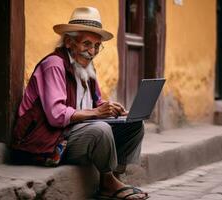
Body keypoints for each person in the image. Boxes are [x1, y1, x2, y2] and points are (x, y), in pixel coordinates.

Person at [12, 6, 149, 200]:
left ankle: (113, 178)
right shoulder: (54, 65)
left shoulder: (87, 68)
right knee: (100, 129)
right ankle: (109, 182)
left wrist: (114, 110)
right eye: (86, 44)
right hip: (48, 140)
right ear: (69, 42)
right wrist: (97, 113)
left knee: (134, 125)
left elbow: (97, 103)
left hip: (75, 132)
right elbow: (56, 115)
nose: (92, 52)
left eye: (96, 46)